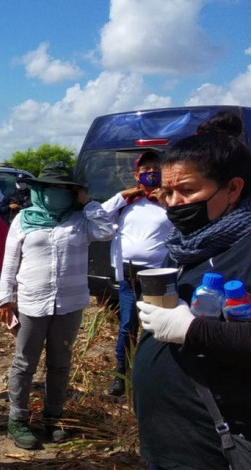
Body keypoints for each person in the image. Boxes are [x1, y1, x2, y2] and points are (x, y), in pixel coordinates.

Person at [133, 116, 251, 469]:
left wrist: (192, 330)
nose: (174, 203)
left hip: (218, 447)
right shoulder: (184, 247)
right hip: (168, 441)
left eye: (187, 190)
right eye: (167, 192)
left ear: (233, 189)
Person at [0, 162, 113, 449]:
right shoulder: (23, 219)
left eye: (64, 189)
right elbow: (10, 262)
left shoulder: (81, 219)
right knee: (24, 363)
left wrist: (87, 201)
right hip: (33, 303)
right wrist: (5, 297)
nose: (57, 193)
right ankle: (18, 419)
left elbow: (106, 230)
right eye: (52, 188)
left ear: (73, 193)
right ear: (41, 190)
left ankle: (53, 416)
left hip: (70, 304)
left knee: (60, 364)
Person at [100, 151, 171, 396]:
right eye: (146, 169)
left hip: (159, 274)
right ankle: (122, 374)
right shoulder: (127, 203)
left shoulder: (170, 200)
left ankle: (158, 371)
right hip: (129, 274)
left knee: (158, 324)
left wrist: (165, 202)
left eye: (156, 168)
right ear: (136, 174)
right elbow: (96, 216)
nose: (151, 172)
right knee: (128, 324)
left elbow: (184, 225)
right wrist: (122, 195)